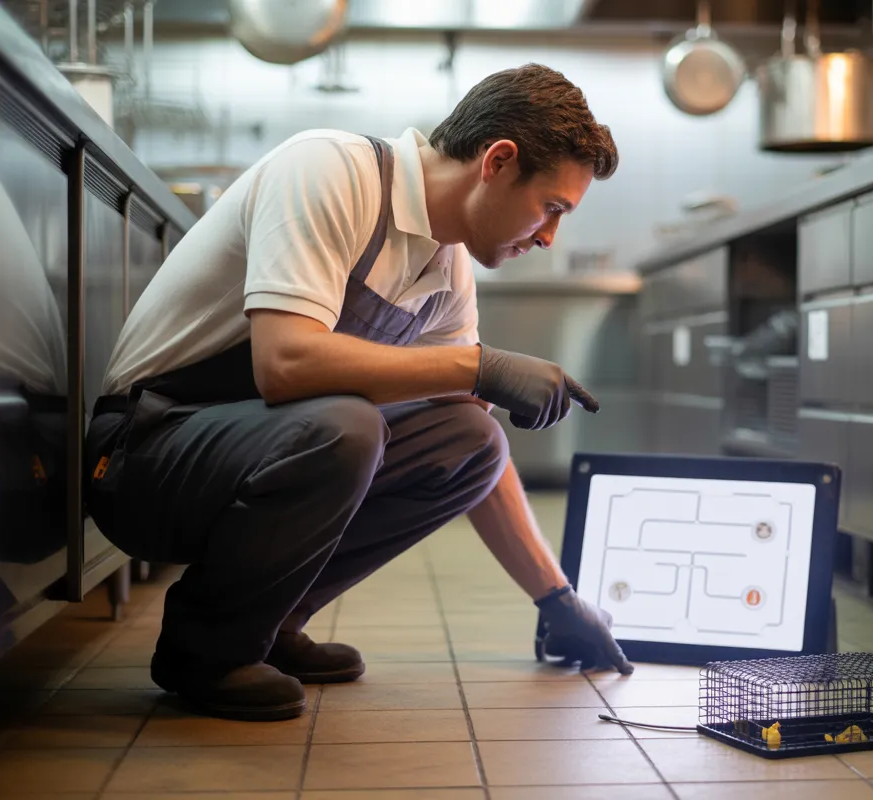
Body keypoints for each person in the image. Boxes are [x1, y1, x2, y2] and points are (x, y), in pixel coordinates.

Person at [84, 63, 634, 722]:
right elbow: (284, 365)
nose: (549, 237)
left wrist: (555, 598)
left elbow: (468, 438)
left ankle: (273, 620)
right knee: (345, 427)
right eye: (551, 209)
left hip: (242, 450)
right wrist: (478, 365)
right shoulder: (330, 170)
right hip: (141, 454)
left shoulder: (444, 261)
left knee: (472, 440)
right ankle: (207, 651)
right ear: (497, 161)